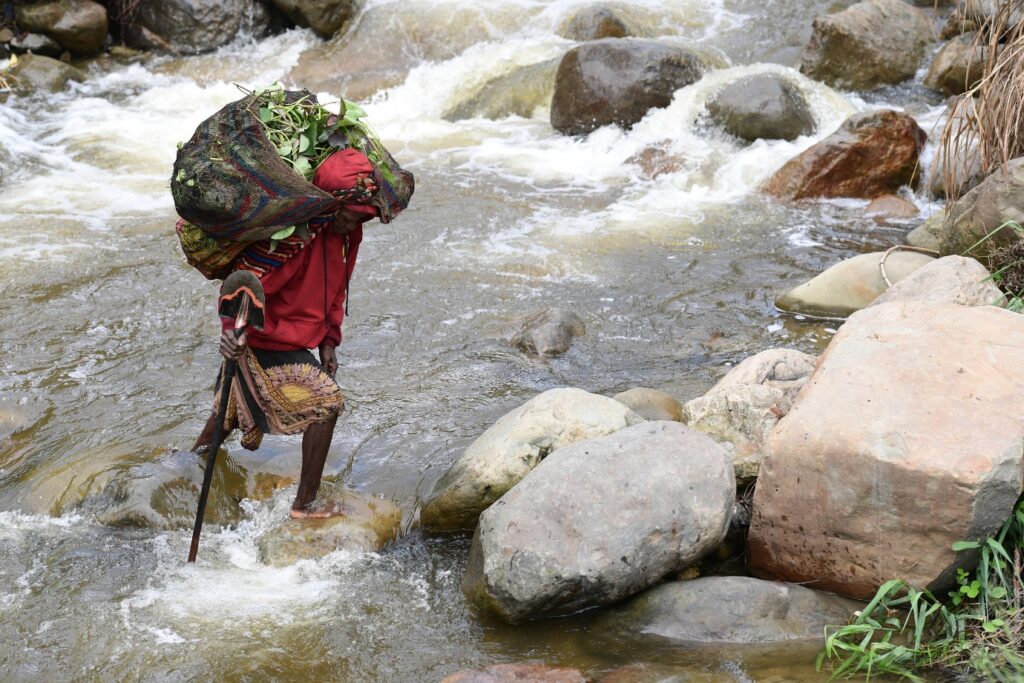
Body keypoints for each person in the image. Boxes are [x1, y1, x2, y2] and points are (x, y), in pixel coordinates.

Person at [191, 148, 377, 519]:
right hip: (260, 339)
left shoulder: (347, 235)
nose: (355, 225)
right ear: (331, 206)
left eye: (362, 218)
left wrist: (329, 342)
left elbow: (340, 288)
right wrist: (232, 331)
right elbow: (243, 283)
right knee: (327, 405)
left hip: (299, 339)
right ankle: (304, 507)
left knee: (224, 416)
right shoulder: (292, 241)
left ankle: (186, 466)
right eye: (351, 216)